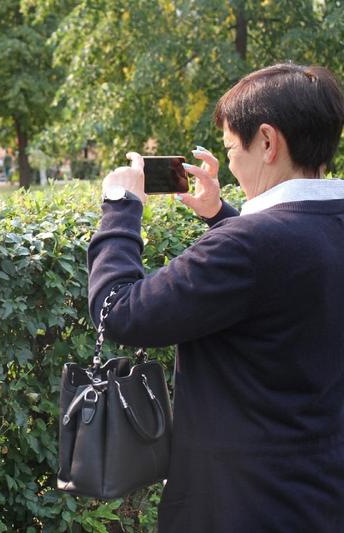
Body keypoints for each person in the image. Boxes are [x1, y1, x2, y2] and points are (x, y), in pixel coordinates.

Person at [87, 63, 344, 532]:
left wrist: (120, 208)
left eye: (230, 149)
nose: (231, 164)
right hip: (321, 492)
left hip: (243, 505)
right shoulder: (315, 226)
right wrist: (220, 214)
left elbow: (118, 311)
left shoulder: (247, 245)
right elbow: (284, 280)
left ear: (267, 141)